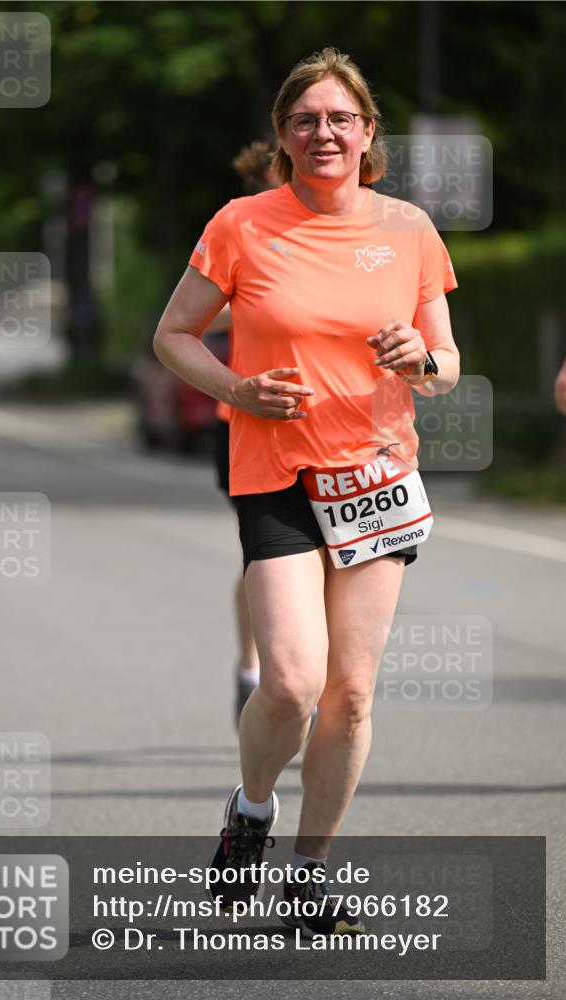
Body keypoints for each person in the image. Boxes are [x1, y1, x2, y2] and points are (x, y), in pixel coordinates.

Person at [154, 47, 459, 937]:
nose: (322, 133)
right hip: (278, 474)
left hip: (375, 477)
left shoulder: (407, 228)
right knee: (290, 682)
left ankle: (312, 874)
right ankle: (250, 810)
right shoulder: (243, 224)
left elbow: (445, 368)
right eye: (304, 120)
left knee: (351, 695)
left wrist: (423, 360)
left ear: (368, 134)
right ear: (282, 138)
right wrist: (237, 390)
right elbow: (174, 336)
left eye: (340, 119)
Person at [211, 140, 280, 725]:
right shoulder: (242, 227)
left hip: (332, 430)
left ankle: (298, 672)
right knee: (263, 558)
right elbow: (193, 316)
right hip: (243, 423)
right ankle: (251, 667)